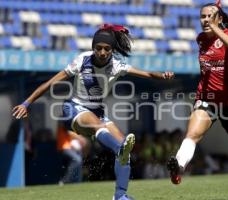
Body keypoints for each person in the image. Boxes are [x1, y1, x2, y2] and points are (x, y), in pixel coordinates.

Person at [12, 23, 174, 200]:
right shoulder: (82, 60)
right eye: (98, 48)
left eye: (107, 49)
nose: (103, 52)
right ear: (93, 48)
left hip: (97, 113)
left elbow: (148, 74)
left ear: (112, 50)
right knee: (109, 137)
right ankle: (119, 150)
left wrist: (163, 75)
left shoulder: (117, 66)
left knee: (124, 150)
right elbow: (50, 83)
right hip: (73, 109)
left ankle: (120, 196)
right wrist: (26, 103)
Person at [166, 2, 228, 199]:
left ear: (219, 19)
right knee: (192, 134)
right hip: (207, 100)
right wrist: (212, 26)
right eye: (202, 17)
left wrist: (215, 27)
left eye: (209, 16)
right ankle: (179, 166)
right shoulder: (201, 39)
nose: (204, 20)